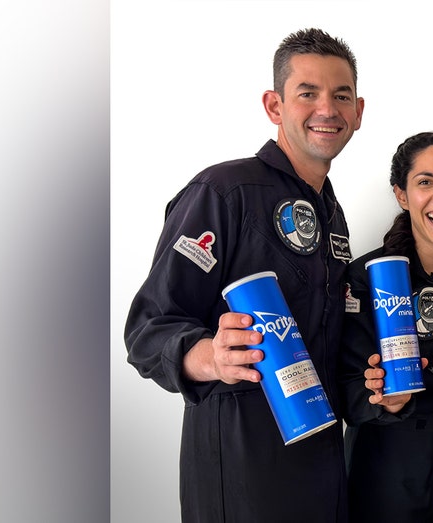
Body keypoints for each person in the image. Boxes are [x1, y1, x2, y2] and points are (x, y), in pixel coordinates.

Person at [123, 28, 364, 522]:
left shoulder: (331, 215)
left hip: (322, 463)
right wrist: (208, 355)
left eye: (341, 96)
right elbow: (148, 329)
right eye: (307, 93)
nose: (327, 109)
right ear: (274, 106)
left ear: (359, 111)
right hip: (240, 470)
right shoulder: (222, 191)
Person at [339, 132, 433, 522]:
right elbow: (342, 388)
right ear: (402, 195)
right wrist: (380, 398)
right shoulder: (367, 278)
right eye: (425, 182)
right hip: (386, 476)